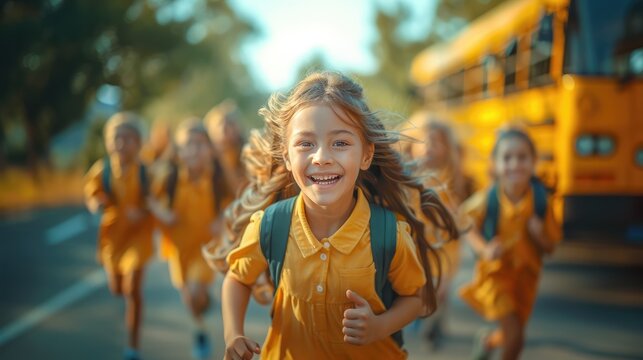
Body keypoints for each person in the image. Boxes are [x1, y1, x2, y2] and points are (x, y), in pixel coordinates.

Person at [220, 71, 458, 359]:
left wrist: (379, 326)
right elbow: (238, 279)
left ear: (366, 156)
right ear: (286, 156)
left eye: (340, 143)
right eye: (306, 143)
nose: (322, 157)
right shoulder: (269, 225)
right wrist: (233, 333)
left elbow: (415, 298)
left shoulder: (389, 234)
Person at [458, 127, 562, 360]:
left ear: (534, 161)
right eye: (507, 158)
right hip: (496, 275)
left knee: (511, 335)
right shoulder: (489, 197)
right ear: (495, 164)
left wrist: (538, 235)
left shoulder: (541, 201)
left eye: (522, 157)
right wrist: (484, 249)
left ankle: (488, 341)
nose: (515, 164)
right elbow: (464, 223)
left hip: (526, 278)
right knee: (516, 338)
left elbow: (551, 248)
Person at [147, 118, 232, 359]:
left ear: (209, 148)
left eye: (199, 143)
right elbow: (150, 200)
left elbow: (234, 201)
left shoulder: (216, 178)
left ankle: (201, 310)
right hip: (178, 249)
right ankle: (200, 328)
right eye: (187, 145)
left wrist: (221, 219)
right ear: (179, 150)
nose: (193, 149)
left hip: (206, 249)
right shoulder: (170, 178)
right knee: (189, 298)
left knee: (194, 291)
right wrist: (164, 214)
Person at [84, 112, 154, 360]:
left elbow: (156, 201)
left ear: (139, 142)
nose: (122, 144)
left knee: (132, 289)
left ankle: (132, 347)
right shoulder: (102, 170)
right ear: (108, 142)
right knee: (117, 289)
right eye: (116, 138)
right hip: (113, 238)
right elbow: (91, 194)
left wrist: (144, 211)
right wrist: (96, 202)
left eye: (128, 138)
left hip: (139, 237)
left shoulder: (146, 171)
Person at [403, 114, 474, 350]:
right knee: (423, 292)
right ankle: (426, 321)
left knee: (441, 292)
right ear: (410, 146)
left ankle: (435, 326)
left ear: (446, 149)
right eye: (423, 142)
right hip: (416, 249)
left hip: (444, 250)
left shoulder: (447, 185)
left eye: (437, 142)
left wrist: (479, 246)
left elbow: (460, 222)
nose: (429, 148)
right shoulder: (403, 183)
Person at [204, 99, 247, 195]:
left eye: (230, 124)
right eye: (219, 124)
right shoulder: (205, 156)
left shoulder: (244, 152)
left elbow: (239, 191)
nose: (224, 128)